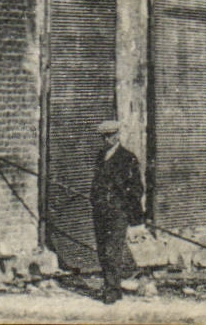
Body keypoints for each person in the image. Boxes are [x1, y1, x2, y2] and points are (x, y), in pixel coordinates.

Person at [90, 119, 145, 304]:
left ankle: (112, 290)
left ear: (117, 135)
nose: (107, 140)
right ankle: (111, 286)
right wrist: (95, 200)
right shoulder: (100, 156)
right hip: (101, 211)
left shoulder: (127, 158)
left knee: (113, 250)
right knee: (102, 251)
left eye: (110, 136)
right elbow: (96, 183)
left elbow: (137, 188)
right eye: (104, 137)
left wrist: (132, 213)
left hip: (118, 213)